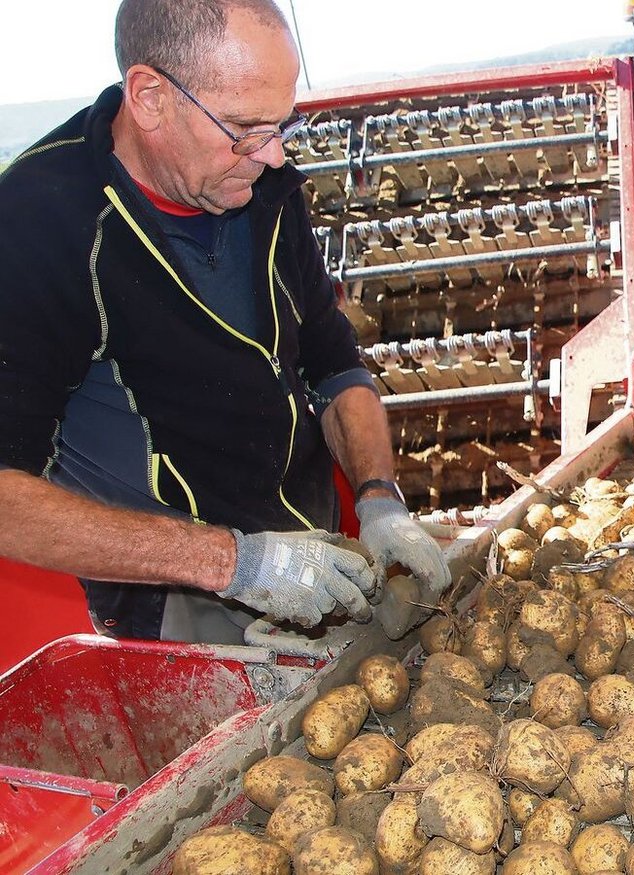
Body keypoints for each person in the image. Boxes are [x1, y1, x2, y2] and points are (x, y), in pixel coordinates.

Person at [0, 0, 450, 644]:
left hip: (316, 556)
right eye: (244, 128)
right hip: (179, 607)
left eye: (282, 125)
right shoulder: (37, 228)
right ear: (150, 97)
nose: (273, 156)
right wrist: (234, 564)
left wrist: (378, 499)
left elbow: (331, 361)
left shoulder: (257, 182)